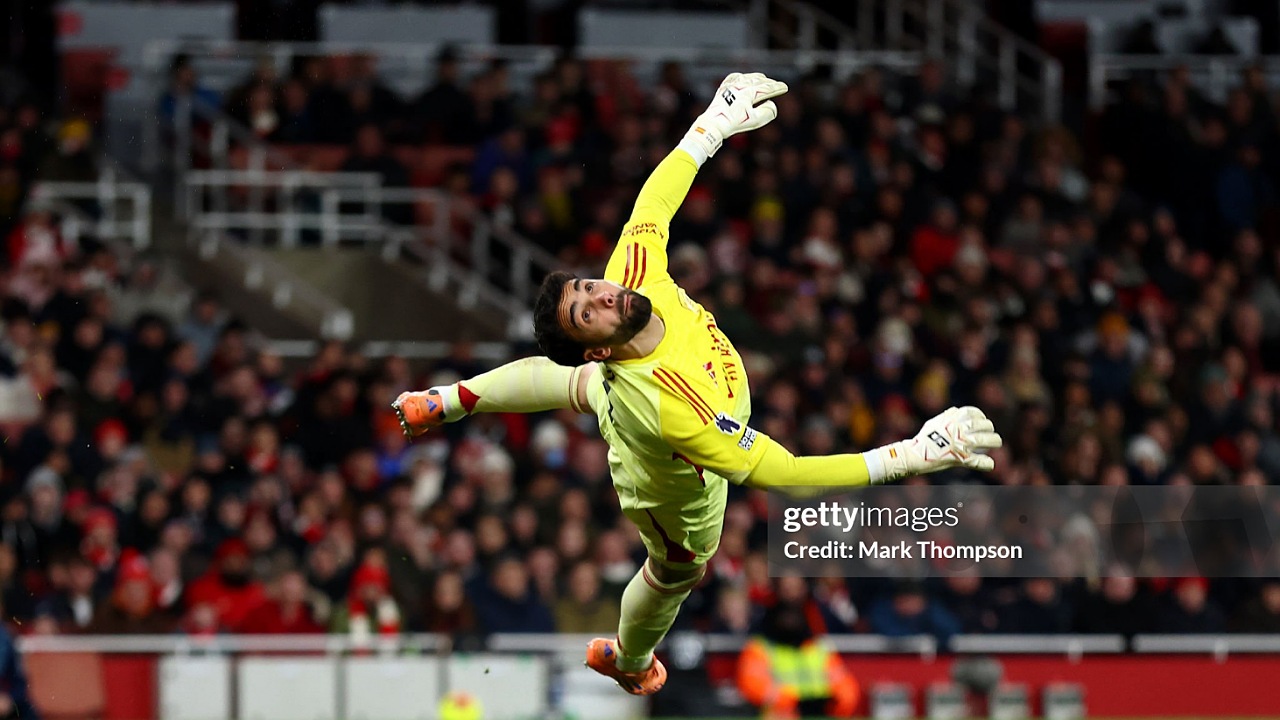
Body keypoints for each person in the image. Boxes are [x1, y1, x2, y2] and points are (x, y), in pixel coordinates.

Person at [393, 73, 1003, 696]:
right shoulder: (669, 408)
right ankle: (629, 660)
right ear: (600, 343)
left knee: (579, 386)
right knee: (678, 568)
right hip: (672, 493)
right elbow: (787, 475)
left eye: (586, 287)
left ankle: (444, 400)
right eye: (587, 311)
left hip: (633, 390)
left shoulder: (631, 274)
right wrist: (912, 455)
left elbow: (653, 204)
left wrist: (715, 121)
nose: (600, 293)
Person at [736, 590, 860, 719]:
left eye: (795, 616)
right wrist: (793, 702)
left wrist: (831, 705)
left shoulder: (820, 649)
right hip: (782, 715)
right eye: (785, 616)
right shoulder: (760, 648)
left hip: (820, 714)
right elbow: (752, 686)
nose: (790, 621)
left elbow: (847, 690)